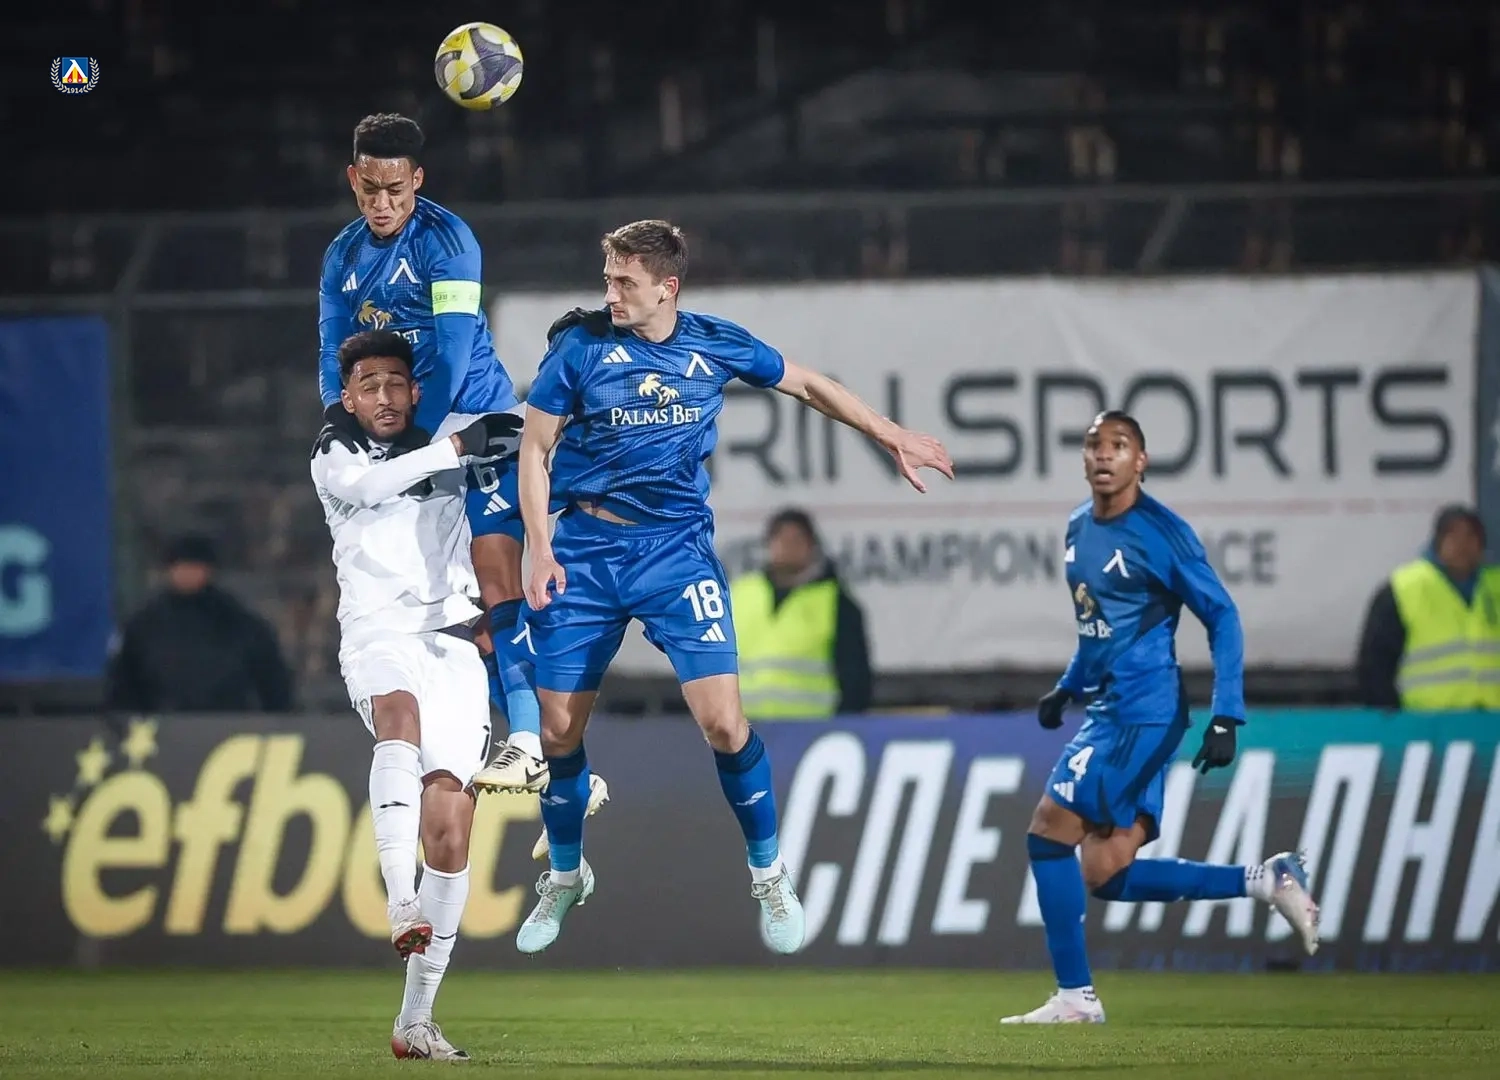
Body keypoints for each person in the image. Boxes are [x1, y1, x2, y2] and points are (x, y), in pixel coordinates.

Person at [510, 219, 954, 956]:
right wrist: (539, 545)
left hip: (675, 553)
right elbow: (535, 447)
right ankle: (565, 874)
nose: (611, 294)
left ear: (667, 287)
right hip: (586, 548)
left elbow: (808, 384)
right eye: (608, 280)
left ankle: (769, 873)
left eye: (625, 282)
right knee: (558, 732)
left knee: (722, 723)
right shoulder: (579, 349)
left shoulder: (714, 343)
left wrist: (890, 434)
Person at [1004, 410, 1320, 1025]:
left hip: (1143, 714)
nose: (1104, 455)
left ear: (1141, 461)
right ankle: (1267, 879)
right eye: (1094, 444)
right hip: (1109, 709)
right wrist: (1068, 686)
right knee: (1103, 870)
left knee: (1047, 832)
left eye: (1119, 445)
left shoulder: (1162, 533)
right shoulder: (1077, 528)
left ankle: (1075, 997)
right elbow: (1100, 629)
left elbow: (1222, 615)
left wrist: (1227, 715)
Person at [315, 111, 547, 796]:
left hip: (476, 424)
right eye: (370, 190)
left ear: (417, 179)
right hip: (412, 435)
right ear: (353, 180)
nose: (382, 204)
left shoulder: (449, 243)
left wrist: (412, 446)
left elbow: (448, 358)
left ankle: (529, 741)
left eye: (395, 189)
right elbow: (334, 355)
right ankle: (567, 770)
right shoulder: (342, 258)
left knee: (497, 577)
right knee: (451, 608)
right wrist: (338, 421)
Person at [312, 328, 528, 1060]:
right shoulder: (335, 451)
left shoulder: (446, 431)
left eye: (395, 384)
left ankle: (416, 1019)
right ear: (348, 396)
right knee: (396, 717)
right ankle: (399, 897)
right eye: (368, 385)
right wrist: (461, 449)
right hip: (378, 634)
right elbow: (371, 488)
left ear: (415, 390)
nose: (382, 397)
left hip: (454, 641)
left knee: (452, 825)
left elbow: (534, 427)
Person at [105, 535, 293, 713]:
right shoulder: (143, 625)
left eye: (194, 567)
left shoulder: (238, 622)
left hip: (226, 723)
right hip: (161, 726)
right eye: (180, 566)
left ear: (208, 570)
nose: (186, 574)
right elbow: (123, 683)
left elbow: (272, 681)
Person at [729, 508, 872, 720]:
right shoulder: (739, 593)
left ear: (811, 546)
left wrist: (842, 726)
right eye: (782, 540)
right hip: (742, 726)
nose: (788, 548)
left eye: (796, 540)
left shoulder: (836, 602)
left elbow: (855, 677)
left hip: (811, 727)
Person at [1355, 504, 1500, 710]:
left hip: (1492, 721)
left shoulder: (1495, 585)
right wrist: (1393, 719)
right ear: (1438, 541)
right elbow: (1375, 665)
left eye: (1470, 537)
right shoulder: (1404, 589)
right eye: (1453, 537)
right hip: (1427, 721)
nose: (1463, 546)